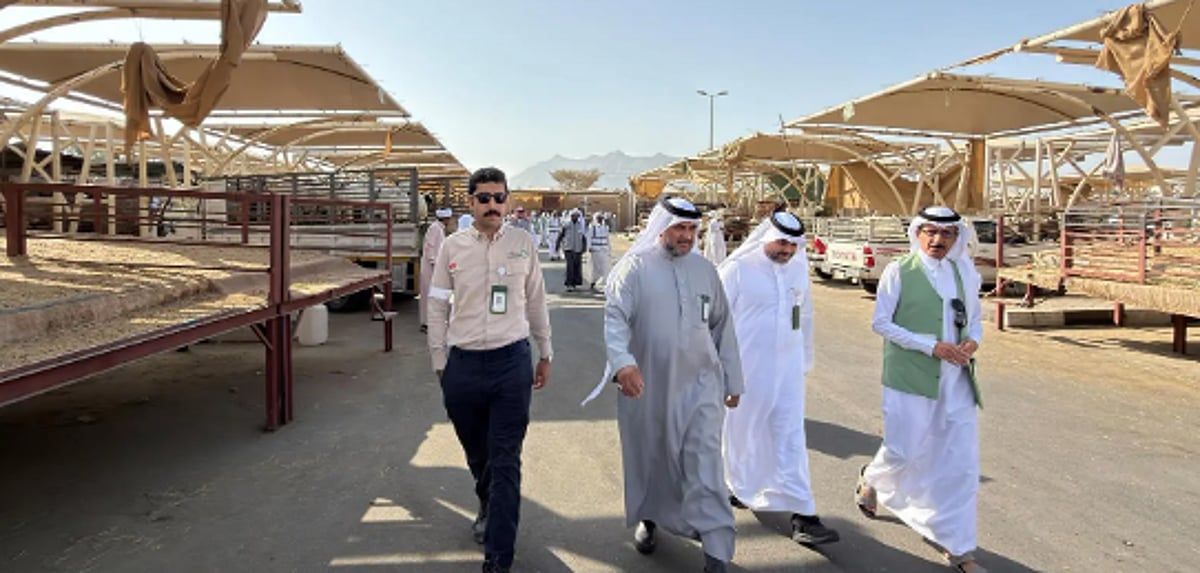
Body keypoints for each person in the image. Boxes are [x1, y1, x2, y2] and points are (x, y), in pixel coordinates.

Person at [586, 196, 744, 573]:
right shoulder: (634, 268)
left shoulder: (706, 271)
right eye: (679, 228)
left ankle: (717, 553)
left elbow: (722, 326)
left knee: (706, 466)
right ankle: (650, 518)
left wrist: (733, 378)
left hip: (702, 387)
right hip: (649, 388)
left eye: (692, 228)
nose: (687, 235)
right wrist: (623, 364)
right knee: (654, 459)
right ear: (661, 228)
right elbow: (615, 318)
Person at [426, 167, 553, 573]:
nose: (493, 205)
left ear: (508, 201)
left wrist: (545, 351)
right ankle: (486, 499)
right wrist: (440, 361)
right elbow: (436, 305)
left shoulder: (522, 244)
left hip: (510, 363)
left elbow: (536, 300)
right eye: (484, 198)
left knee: (506, 460)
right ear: (471, 202)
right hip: (462, 364)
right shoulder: (452, 247)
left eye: (499, 197)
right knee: (478, 453)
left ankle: (499, 558)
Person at [856, 205, 986, 573]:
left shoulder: (964, 272)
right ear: (918, 233)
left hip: (956, 379)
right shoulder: (900, 271)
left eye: (946, 233)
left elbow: (976, 320)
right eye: (930, 232)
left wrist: (972, 341)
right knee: (903, 451)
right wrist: (930, 346)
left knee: (960, 465)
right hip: (910, 376)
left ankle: (958, 546)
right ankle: (871, 477)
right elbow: (881, 323)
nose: (937, 239)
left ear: (956, 237)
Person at [718, 211, 840, 547]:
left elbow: (805, 318)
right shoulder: (738, 270)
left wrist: (804, 362)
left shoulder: (798, 270)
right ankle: (738, 486)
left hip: (787, 373)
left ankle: (805, 515)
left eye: (792, 244)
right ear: (766, 237)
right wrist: (724, 372)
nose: (786, 250)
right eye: (781, 242)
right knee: (742, 435)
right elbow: (715, 322)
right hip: (745, 372)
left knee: (790, 437)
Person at [419, 207, 453, 333]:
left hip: (435, 267)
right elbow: (429, 247)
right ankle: (426, 323)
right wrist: (434, 263)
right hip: (431, 268)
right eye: (449, 218)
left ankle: (433, 322)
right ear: (445, 218)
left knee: (435, 296)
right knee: (429, 296)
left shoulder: (439, 228)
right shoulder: (435, 228)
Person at [556, 209, 588, 292]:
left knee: (576, 266)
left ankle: (574, 283)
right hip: (568, 248)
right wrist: (557, 246)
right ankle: (569, 284)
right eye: (574, 216)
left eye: (577, 216)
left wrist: (584, 247)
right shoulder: (566, 225)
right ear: (571, 216)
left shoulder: (580, 225)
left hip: (578, 248)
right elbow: (561, 235)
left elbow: (584, 237)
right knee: (570, 266)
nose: (575, 217)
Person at [587, 211, 611, 291]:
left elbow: (607, 239)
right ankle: (593, 281)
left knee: (605, 267)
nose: (600, 220)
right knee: (595, 268)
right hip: (595, 250)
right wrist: (589, 247)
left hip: (604, 249)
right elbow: (589, 238)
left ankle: (604, 283)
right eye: (598, 218)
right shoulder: (592, 227)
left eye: (601, 218)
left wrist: (609, 249)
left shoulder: (605, 227)